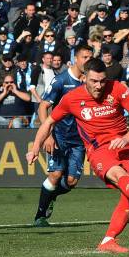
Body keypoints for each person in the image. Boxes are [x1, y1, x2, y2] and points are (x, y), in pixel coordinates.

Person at [26, 58, 129, 253]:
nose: (99, 85)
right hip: (99, 150)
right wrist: (35, 147)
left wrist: (127, 138)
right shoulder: (71, 99)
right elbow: (48, 122)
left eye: (102, 81)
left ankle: (108, 240)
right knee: (124, 179)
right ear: (84, 78)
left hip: (125, 146)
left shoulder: (117, 88)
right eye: (94, 81)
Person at [32, 44, 92, 227]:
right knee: (56, 174)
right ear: (76, 59)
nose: (88, 62)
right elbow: (43, 106)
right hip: (59, 136)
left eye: (91, 58)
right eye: (85, 58)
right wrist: (48, 134)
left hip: (79, 140)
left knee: (72, 181)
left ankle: (52, 196)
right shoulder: (61, 80)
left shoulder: (91, 82)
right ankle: (39, 216)